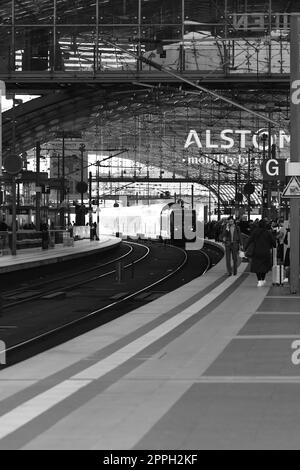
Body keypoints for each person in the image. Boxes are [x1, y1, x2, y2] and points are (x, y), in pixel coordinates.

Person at [245, 219, 276, 287]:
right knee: (264, 267)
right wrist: (273, 245)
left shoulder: (255, 232)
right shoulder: (268, 233)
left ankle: (259, 280)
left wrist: (245, 248)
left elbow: (249, 240)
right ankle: (263, 279)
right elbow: (274, 242)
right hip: (266, 252)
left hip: (256, 252)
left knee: (257, 266)